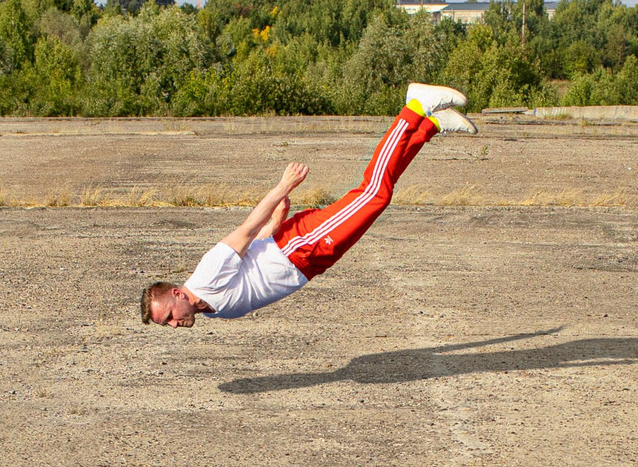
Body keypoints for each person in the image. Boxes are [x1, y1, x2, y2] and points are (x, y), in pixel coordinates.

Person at [141, 84, 473, 326]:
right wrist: (276, 223)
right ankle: (429, 126)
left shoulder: (206, 275)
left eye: (169, 316)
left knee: (373, 193)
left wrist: (282, 187)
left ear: (177, 294)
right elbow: (252, 253)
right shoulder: (209, 307)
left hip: (301, 246)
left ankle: (414, 108)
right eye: (166, 323)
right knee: (378, 197)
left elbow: (246, 229)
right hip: (308, 262)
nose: (173, 324)